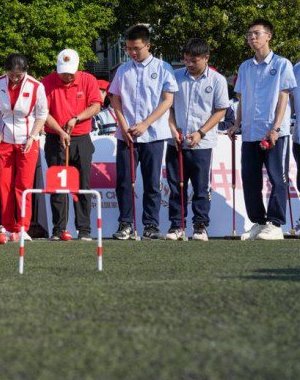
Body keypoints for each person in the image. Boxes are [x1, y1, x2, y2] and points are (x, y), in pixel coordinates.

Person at [228, 18, 296, 240]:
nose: (252, 38)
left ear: (269, 36)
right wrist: (236, 124)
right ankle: (258, 221)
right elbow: (241, 97)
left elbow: (283, 97)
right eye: (249, 34)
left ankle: (275, 224)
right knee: (250, 178)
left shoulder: (282, 64)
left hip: (275, 133)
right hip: (250, 132)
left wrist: (276, 128)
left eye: (256, 33)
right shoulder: (245, 67)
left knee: (277, 177)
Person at [109, 24, 178, 240]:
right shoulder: (123, 69)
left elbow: (168, 100)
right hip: (126, 135)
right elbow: (115, 98)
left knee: (151, 182)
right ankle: (125, 223)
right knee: (123, 181)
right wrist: (122, 125)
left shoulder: (163, 67)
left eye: (136, 48)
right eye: (129, 48)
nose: (132, 53)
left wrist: (146, 123)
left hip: (153, 135)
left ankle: (151, 225)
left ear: (148, 45)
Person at [167, 38, 229, 241]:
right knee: (176, 184)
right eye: (186, 60)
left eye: (194, 61)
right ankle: (177, 225)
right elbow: (169, 107)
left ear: (206, 58)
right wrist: (173, 128)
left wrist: (201, 133)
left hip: (202, 143)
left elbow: (220, 110)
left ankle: (200, 225)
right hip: (176, 141)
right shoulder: (175, 77)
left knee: (201, 186)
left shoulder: (217, 80)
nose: (189, 64)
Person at [42, 49, 102, 241]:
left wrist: (76, 118)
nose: (66, 76)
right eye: (63, 72)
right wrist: (60, 131)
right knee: (58, 186)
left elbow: (95, 105)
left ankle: (84, 229)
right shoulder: (47, 82)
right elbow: (42, 112)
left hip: (81, 139)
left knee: (82, 185)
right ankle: (59, 230)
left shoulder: (88, 80)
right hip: (55, 138)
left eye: (70, 72)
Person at [0, 53, 48, 241]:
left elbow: (42, 114)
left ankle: (22, 227)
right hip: (5, 138)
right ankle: (6, 225)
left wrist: (33, 136)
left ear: (25, 72)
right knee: (4, 184)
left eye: (19, 75)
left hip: (28, 139)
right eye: (11, 74)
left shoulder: (36, 86)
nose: (15, 78)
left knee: (23, 184)